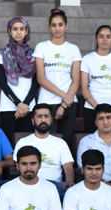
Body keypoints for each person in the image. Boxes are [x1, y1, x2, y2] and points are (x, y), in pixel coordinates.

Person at [34, 9, 80, 147]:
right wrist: (63, 96)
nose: (57, 28)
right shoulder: (41, 47)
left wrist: (64, 104)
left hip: (69, 104)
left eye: (60, 24)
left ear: (66, 26)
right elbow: (41, 78)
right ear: (49, 27)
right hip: (46, 102)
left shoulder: (73, 49)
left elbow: (76, 80)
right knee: (46, 143)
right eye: (54, 25)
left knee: (65, 143)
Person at [14, 104, 75, 200]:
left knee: (72, 192)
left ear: (51, 120)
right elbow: (19, 168)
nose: (43, 120)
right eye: (39, 117)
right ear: (33, 121)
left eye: (46, 116)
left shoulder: (60, 143)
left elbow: (68, 168)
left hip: (55, 186)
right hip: (31, 184)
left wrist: (69, 181)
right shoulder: (23, 142)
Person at [0, 16, 38, 142]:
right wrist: (18, 104)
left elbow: (36, 83)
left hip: (28, 107)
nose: (18, 32)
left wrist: (25, 104)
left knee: (26, 145)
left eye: (21, 29)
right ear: (9, 31)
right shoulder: (1, 55)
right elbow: (2, 83)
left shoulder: (34, 55)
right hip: (8, 107)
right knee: (9, 145)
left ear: (26, 31)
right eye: (15, 29)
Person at [80, 25, 111, 134]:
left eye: (108, 36)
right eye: (101, 36)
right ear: (96, 39)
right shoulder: (87, 59)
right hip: (92, 108)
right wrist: (98, 108)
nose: (105, 40)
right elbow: (83, 87)